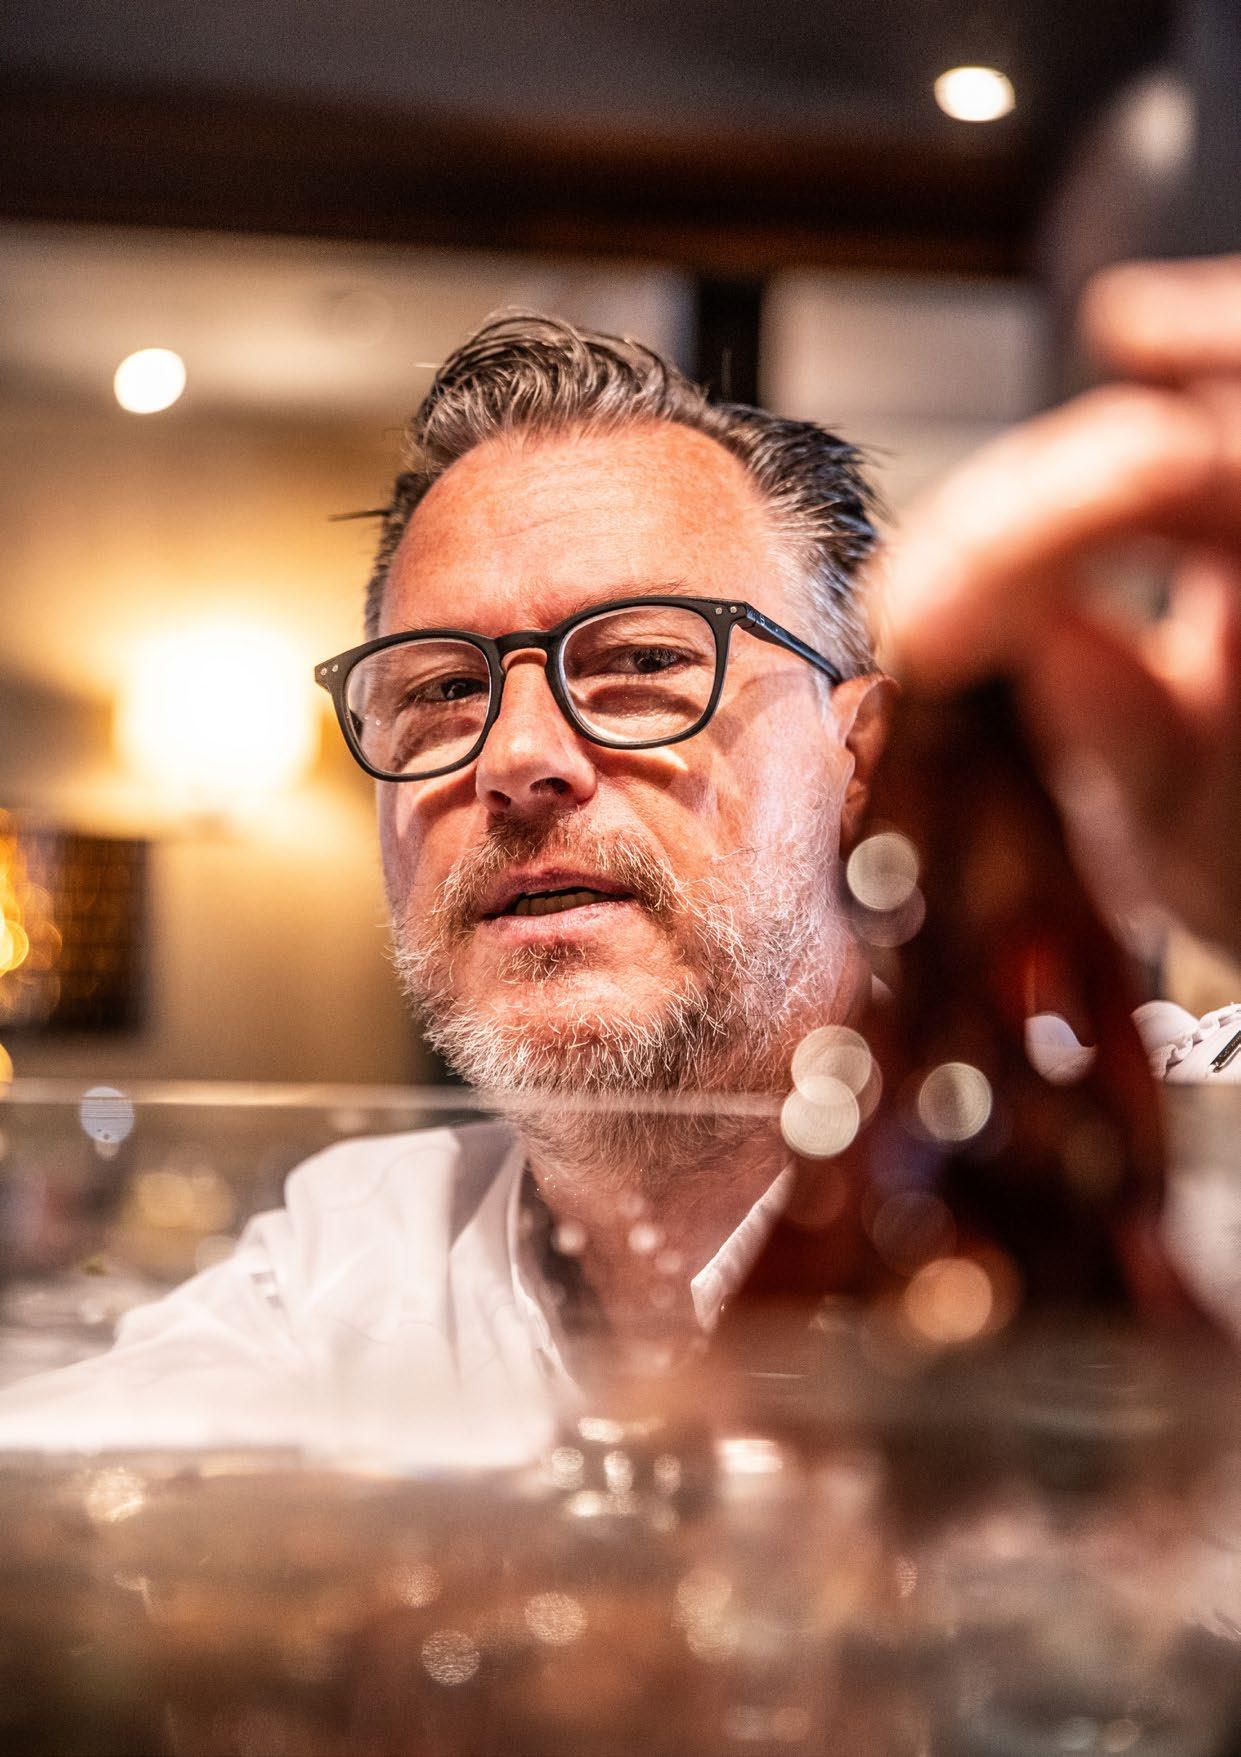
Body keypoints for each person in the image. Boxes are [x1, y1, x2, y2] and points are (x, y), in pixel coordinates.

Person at [2, 255, 1239, 1462]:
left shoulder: (1162, 1151)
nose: (515, 758)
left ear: (858, 755)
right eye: (439, 689)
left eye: (643, 662)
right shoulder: (351, 1256)